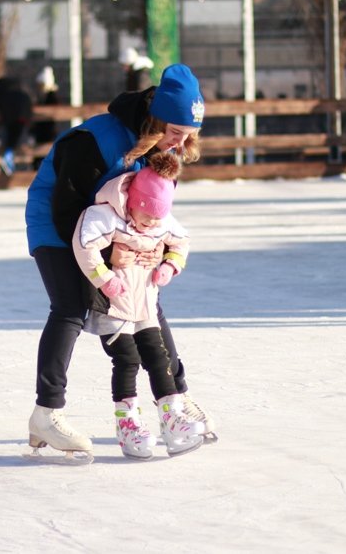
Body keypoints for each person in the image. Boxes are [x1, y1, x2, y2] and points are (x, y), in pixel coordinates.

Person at [24, 63, 213, 458]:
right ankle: (47, 412)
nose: (180, 142)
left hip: (116, 230)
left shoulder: (165, 150)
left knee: (148, 302)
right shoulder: (98, 139)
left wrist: (152, 252)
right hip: (58, 222)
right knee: (71, 305)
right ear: (157, 118)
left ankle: (176, 397)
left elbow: (153, 214)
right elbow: (66, 207)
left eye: (189, 135)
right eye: (175, 132)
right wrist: (110, 257)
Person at [72, 151, 205, 459]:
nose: (150, 225)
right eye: (146, 218)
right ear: (133, 202)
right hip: (114, 306)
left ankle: (172, 417)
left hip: (144, 303)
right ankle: (128, 422)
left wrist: (169, 265)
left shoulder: (160, 221)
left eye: (157, 220)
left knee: (160, 360)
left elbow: (181, 242)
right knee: (128, 360)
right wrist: (105, 278)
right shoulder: (105, 216)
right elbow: (84, 246)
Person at [0, 75, 33, 175]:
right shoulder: (23, 92)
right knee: (19, 147)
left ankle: (10, 166)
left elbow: (0, 107)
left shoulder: (4, 93)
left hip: (11, 122)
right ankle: (16, 170)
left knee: (10, 145)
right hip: (22, 122)